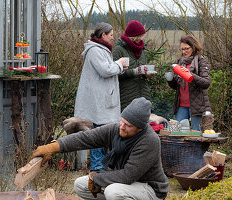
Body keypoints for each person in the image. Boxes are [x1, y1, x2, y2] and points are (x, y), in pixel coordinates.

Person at [31, 97, 169, 200]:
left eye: (128, 125)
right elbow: (85, 138)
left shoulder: (149, 141)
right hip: (127, 185)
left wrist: (97, 179)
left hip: (150, 188)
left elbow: (128, 176)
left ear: (139, 128)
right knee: (80, 185)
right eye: (122, 121)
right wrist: (55, 146)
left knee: (113, 192)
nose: (122, 126)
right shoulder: (116, 129)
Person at [74, 22, 128, 172]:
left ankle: (104, 164)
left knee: (105, 131)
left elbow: (108, 70)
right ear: (103, 35)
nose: (113, 37)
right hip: (99, 99)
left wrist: (120, 68)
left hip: (104, 98)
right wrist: (119, 63)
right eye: (111, 35)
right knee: (99, 133)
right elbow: (105, 70)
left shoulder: (102, 49)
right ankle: (97, 166)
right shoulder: (94, 50)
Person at [166, 35, 211, 131]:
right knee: (177, 133)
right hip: (181, 106)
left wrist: (189, 75)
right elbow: (176, 87)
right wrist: (170, 80)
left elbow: (206, 83)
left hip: (197, 107)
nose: (183, 52)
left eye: (186, 49)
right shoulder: (180, 62)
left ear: (193, 47)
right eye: (182, 49)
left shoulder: (201, 61)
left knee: (196, 135)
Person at [113, 20, 157, 111]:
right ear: (131, 36)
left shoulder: (142, 50)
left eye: (141, 36)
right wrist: (134, 72)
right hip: (126, 97)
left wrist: (146, 74)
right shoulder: (119, 49)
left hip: (143, 95)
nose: (140, 38)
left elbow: (142, 70)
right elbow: (113, 74)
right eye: (138, 36)